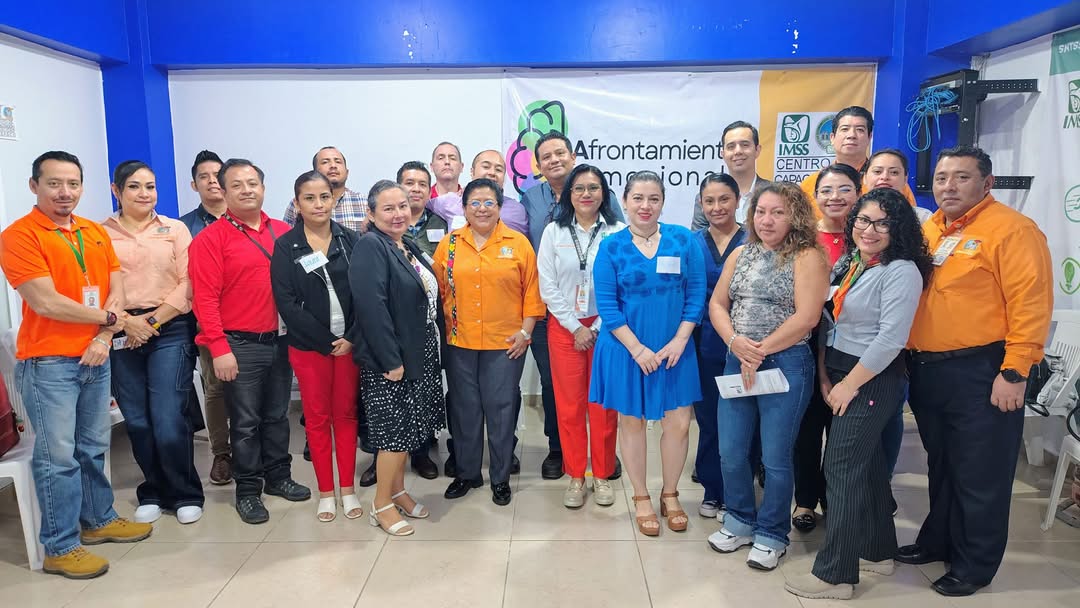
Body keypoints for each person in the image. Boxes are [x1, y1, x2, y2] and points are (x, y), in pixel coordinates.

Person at [898, 146, 1053, 597]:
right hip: (929, 370)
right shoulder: (930, 229)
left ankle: (974, 565)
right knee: (943, 465)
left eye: (962, 177)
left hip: (985, 370)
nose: (949, 186)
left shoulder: (1012, 230)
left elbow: (1031, 304)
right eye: (942, 177)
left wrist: (1015, 371)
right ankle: (938, 542)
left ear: (987, 183)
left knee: (981, 472)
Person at [0, 151, 152, 579]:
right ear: (34, 186)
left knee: (92, 448)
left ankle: (98, 520)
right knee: (58, 458)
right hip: (49, 362)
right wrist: (112, 320)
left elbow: (116, 288)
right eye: (54, 184)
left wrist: (104, 335)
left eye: (73, 183)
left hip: (96, 355)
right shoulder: (19, 235)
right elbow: (46, 302)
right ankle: (60, 545)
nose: (65, 192)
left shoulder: (93, 231)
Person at [784, 188, 931, 600]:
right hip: (840, 369)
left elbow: (891, 339)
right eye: (864, 220)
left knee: (841, 469)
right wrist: (827, 376)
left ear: (899, 228)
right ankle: (877, 551)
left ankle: (836, 575)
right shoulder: (854, 262)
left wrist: (849, 383)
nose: (870, 229)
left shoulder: (901, 271)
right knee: (867, 468)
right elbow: (831, 320)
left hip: (870, 376)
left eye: (883, 223)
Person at [707, 183, 829, 570]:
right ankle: (739, 520)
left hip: (785, 364)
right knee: (731, 451)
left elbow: (807, 317)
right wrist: (735, 343)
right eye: (761, 212)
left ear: (795, 216)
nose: (767, 220)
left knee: (776, 457)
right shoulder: (741, 253)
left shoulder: (808, 256)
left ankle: (772, 533)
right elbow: (718, 304)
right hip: (737, 361)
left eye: (778, 212)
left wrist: (758, 351)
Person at [188, 158, 311, 524]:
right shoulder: (210, 239)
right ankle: (247, 491)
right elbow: (204, 299)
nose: (246, 190)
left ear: (263, 188)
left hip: (282, 341)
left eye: (252, 183)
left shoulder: (283, 231)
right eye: (237, 185)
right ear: (224, 191)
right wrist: (219, 347)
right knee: (244, 423)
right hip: (239, 345)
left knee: (277, 415)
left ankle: (279, 477)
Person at [590, 171, 705, 536]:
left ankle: (670, 493)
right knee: (632, 423)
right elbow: (608, 307)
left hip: (675, 348)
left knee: (679, 423)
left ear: (663, 202)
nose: (645, 206)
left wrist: (681, 339)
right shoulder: (611, 246)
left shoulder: (683, 240)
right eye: (638, 198)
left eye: (653, 198)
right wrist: (638, 349)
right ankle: (641, 496)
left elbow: (696, 294)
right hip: (626, 349)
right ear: (624, 201)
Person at [433, 178, 546, 506]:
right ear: (464, 208)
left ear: (499, 207)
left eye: (489, 203)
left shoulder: (518, 243)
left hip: (506, 343)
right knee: (464, 409)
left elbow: (532, 292)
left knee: (501, 410)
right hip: (460, 341)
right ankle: (467, 473)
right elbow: (438, 291)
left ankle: (500, 477)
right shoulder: (450, 244)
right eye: (474, 203)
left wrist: (525, 333)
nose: (481, 209)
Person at [103, 160, 203, 525]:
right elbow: (97, 284)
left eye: (150, 186)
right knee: (138, 419)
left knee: (167, 416)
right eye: (134, 186)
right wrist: (127, 323)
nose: (144, 193)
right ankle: (153, 491)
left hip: (169, 328)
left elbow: (188, 283)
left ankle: (185, 493)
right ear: (116, 190)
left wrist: (151, 321)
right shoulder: (100, 233)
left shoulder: (174, 229)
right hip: (120, 328)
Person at [521, 131, 626, 480]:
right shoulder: (553, 230)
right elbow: (547, 284)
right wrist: (575, 326)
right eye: (579, 189)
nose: (586, 194)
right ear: (569, 194)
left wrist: (595, 326)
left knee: (603, 403)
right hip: (563, 324)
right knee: (567, 404)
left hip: (607, 325)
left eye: (593, 188)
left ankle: (604, 471)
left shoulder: (617, 231)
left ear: (604, 193)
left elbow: (621, 284)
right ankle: (576, 473)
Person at [351, 180, 446, 535]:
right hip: (390, 358)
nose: (398, 214)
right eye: (388, 208)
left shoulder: (405, 244)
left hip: (418, 348)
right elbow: (371, 308)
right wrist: (391, 360)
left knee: (407, 430)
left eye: (402, 206)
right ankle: (381, 505)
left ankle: (398, 492)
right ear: (371, 213)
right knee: (392, 434)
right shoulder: (371, 246)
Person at [270, 171, 361, 522]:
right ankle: (326, 492)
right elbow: (287, 303)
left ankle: (348, 489)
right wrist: (326, 341)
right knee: (318, 418)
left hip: (349, 346)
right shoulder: (286, 245)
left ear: (333, 199)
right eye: (309, 198)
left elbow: (365, 295)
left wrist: (351, 337)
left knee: (346, 415)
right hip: (310, 348)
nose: (318, 204)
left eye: (324, 196)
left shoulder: (351, 240)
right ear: (297, 203)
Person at [791, 163, 862, 533]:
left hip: (853, 353)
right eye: (827, 191)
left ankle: (836, 498)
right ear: (815, 197)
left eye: (844, 189)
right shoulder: (802, 240)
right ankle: (805, 499)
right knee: (806, 429)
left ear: (859, 193)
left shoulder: (867, 239)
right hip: (804, 346)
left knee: (843, 434)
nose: (835, 197)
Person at [692, 173, 747, 519]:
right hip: (703, 345)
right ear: (701, 204)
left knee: (741, 421)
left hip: (745, 344)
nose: (716, 207)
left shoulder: (753, 240)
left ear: (737, 200)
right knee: (709, 419)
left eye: (724, 199)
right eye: (709, 201)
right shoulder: (691, 243)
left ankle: (737, 492)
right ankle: (713, 489)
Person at [179, 150, 233, 485]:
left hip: (253, 321)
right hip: (208, 321)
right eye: (204, 177)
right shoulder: (184, 227)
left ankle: (252, 451)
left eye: (217, 175)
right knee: (215, 389)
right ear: (194, 184)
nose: (212, 182)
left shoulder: (247, 219)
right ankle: (222, 454)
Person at [799, 106, 917, 213]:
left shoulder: (889, 183)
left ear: (869, 137)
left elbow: (910, 223)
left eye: (860, 130)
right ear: (832, 138)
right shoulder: (811, 184)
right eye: (845, 129)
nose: (851, 135)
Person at [691, 121, 771, 229]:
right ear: (723, 154)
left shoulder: (775, 194)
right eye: (731, 147)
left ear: (757, 150)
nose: (738, 151)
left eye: (744, 145)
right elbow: (698, 238)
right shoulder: (708, 198)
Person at [428, 150, 530, 234]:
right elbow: (422, 205)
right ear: (472, 172)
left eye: (498, 170)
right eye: (486, 167)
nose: (492, 173)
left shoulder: (516, 210)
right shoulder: (451, 202)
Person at [282, 146, 368, 233]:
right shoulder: (299, 204)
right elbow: (287, 236)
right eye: (325, 162)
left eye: (338, 162)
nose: (333, 166)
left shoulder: (364, 202)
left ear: (347, 172)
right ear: (315, 172)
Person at [864, 148, 933, 222]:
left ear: (905, 179)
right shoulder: (856, 214)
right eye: (877, 171)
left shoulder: (923, 218)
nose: (885, 177)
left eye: (894, 172)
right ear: (864, 177)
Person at [400, 161, 449, 258]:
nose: (416, 189)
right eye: (410, 183)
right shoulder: (389, 224)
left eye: (422, 184)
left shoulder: (441, 224)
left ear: (429, 193)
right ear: (398, 189)